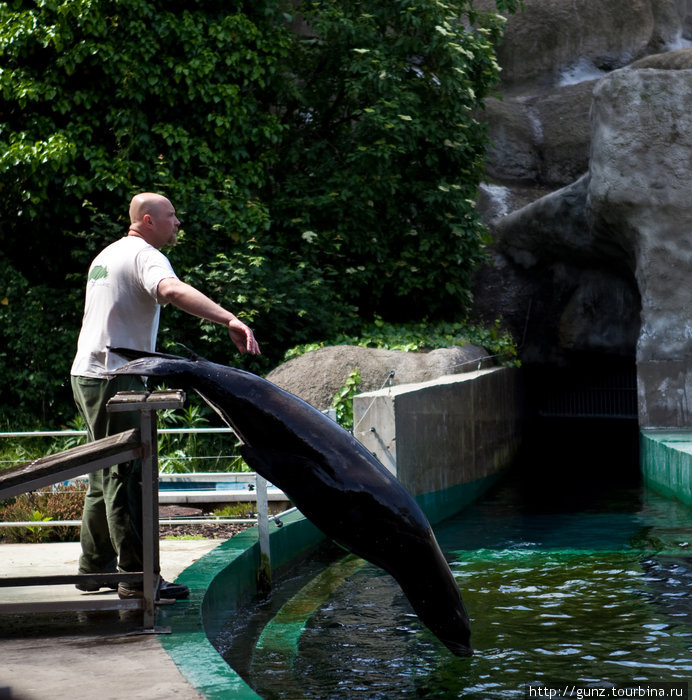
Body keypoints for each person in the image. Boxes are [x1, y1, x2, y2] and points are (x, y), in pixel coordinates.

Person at [70, 192, 261, 600]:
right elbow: (171, 291)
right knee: (126, 476)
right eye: (171, 215)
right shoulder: (144, 254)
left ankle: (94, 570)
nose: (178, 222)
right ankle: (138, 578)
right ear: (147, 219)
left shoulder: (108, 254)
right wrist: (229, 318)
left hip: (88, 373)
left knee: (104, 474)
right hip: (113, 375)